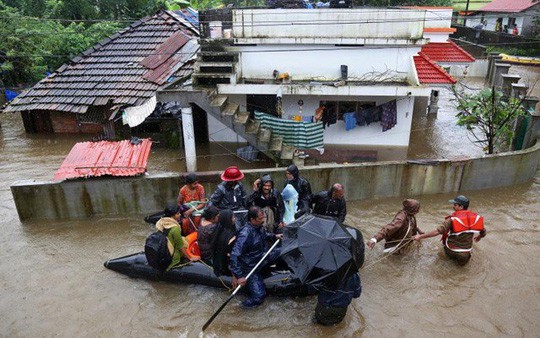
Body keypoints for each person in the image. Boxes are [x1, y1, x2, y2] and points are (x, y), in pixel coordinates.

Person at [230, 206, 283, 308]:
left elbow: (264, 234)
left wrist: (274, 236)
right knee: (259, 297)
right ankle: (240, 307)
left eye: (263, 218)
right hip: (251, 266)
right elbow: (234, 255)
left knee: (282, 250)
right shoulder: (245, 234)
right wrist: (239, 276)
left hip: (263, 257)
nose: (263, 221)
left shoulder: (259, 227)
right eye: (260, 219)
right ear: (252, 219)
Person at [413, 195, 486, 265]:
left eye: (455, 205)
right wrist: (479, 237)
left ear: (461, 206)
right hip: (464, 254)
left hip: (450, 250)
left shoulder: (451, 220)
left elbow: (437, 232)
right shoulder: (476, 219)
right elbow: (483, 232)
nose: (453, 206)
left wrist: (420, 236)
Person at [155, 204, 199, 271]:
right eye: (178, 214)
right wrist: (190, 258)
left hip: (163, 250)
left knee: (183, 239)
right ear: (172, 216)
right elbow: (180, 246)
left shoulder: (160, 223)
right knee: (184, 241)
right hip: (172, 257)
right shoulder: (175, 228)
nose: (180, 215)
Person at [211, 209, 237, 277]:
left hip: (218, 265)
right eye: (233, 217)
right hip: (226, 268)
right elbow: (231, 257)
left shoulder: (216, 232)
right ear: (228, 219)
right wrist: (234, 275)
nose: (235, 219)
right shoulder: (231, 237)